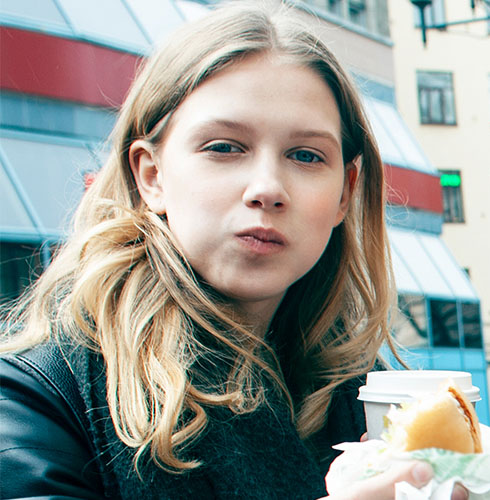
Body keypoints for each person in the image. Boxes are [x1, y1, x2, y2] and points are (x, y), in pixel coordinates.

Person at [0, 3, 465, 499]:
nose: (266, 188)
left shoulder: (375, 398)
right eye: (224, 147)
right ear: (151, 175)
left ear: (345, 193)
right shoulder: (36, 398)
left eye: (306, 156)